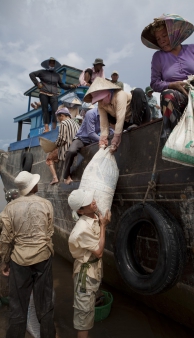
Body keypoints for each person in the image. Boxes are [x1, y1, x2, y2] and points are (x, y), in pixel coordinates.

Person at [0, 171, 55, 338]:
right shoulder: (46, 204)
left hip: (19, 261)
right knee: (45, 305)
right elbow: (49, 232)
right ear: (33, 186)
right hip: (43, 258)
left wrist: (4, 262)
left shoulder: (9, 208)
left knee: (18, 308)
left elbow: (5, 239)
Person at [141, 14, 194, 142]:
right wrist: (172, 85)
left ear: (174, 34)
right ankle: (175, 139)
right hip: (180, 96)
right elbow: (155, 83)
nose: (162, 40)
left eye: (164, 36)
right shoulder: (158, 57)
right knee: (167, 95)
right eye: (158, 38)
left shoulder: (193, 48)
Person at [67, 189, 111, 338]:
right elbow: (98, 252)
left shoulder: (92, 216)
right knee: (83, 320)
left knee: (88, 309)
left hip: (94, 269)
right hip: (85, 277)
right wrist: (104, 226)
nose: (93, 201)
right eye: (88, 202)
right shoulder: (81, 229)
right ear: (80, 210)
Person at [83, 77, 150, 153]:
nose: (101, 102)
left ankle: (135, 123)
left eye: (101, 99)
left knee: (138, 91)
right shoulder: (101, 105)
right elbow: (104, 123)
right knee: (108, 117)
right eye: (98, 100)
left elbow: (120, 117)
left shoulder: (120, 95)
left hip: (138, 117)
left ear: (107, 94)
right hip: (126, 123)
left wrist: (116, 137)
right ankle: (121, 131)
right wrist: (103, 139)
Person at [29, 57, 77, 133]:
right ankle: (46, 128)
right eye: (50, 63)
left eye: (53, 63)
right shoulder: (42, 72)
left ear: (54, 65)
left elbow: (62, 85)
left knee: (55, 111)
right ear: (48, 64)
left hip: (54, 94)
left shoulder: (57, 75)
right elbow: (31, 74)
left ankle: (54, 129)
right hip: (43, 93)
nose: (52, 64)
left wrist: (70, 86)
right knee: (45, 110)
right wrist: (37, 83)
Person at [63, 103, 106, 185]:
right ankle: (66, 176)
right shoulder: (91, 114)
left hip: (93, 141)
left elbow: (109, 129)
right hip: (82, 139)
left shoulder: (106, 116)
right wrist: (102, 140)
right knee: (71, 151)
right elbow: (90, 133)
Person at [46, 107, 80, 185]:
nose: (58, 119)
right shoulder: (76, 123)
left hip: (66, 148)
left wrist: (55, 145)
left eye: (58, 117)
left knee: (48, 159)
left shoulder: (64, 123)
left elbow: (62, 139)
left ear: (61, 115)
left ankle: (55, 178)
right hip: (76, 146)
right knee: (55, 157)